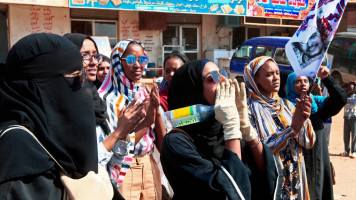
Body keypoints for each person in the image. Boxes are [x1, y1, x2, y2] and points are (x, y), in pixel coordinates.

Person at [161, 59, 281, 200]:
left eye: (222, 73)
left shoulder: (221, 127)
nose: (224, 80)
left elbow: (265, 175)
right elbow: (230, 190)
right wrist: (231, 129)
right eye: (213, 78)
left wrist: (247, 130)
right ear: (193, 90)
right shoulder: (176, 142)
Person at [0, 33, 99, 199]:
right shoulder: (17, 150)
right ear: (40, 84)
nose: (82, 88)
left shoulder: (44, 132)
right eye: (75, 78)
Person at [98, 39, 166, 200]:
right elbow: (116, 148)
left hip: (148, 163)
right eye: (130, 59)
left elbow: (161, 143)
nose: (137, 65)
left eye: (142, 59)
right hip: (122, 169)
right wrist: (147, 122)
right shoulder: (106, 99)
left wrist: (156, 113)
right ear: (117, 62)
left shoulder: (145, 93)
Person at [244, 56, 315, 200]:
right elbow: (260, 149)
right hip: (272, 180)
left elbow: (308, 142)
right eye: (269, 74)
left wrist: (303, 120)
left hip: (295, 178)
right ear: (255, 79)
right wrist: (290, 130)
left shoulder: (287, 106)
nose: (276, 78)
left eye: (277, 73)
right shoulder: (248, 110)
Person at [285, 66, 347, 200]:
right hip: (297, 163)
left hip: (318, 159)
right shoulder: (284, 108)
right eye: (298, 81)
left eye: (305, 81)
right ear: (290, 84)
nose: (302, 84)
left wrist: (326, 79)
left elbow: (341, 98)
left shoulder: (317, 105)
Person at [340, 81, 356, 158]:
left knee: (354, 136)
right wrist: (346, 85)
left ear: (354, 90)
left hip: (354, 118)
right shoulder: (345, 96)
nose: (349, 90)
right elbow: (339, 88)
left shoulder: (355, 97)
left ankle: (354, 151)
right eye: (348, 89)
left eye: (351, 89)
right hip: (346, 117)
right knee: (346, 136)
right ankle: (346, 150)